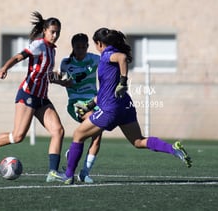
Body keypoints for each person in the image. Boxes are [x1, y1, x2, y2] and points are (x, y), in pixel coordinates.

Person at [51, 27, 192, 184]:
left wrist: (123, 81)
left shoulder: (106, 55)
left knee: (78, 135)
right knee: (138, 141)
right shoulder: (106, 58)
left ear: (99, 44)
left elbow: (122, 58)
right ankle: (174, 149)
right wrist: (89, 105)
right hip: (125, 106)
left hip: (111, 109)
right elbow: (106, 89)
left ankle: (69, 175)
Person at [0, 11, 65, 182]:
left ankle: (52, 172)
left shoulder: (52, 51)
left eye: (58, 32)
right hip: (28, 94)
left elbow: (46, 75)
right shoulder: (39, 45)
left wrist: (63, 80)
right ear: (44, 30)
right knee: (18, 136)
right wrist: (5, 68)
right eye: (52, 31)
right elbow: (19, 57)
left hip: (42, 97)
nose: (55, 35)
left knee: (58, 131)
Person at [51, 33, 101, 183]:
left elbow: (108, 60)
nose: (80, 50)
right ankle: (74, 155)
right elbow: (68, 82)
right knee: (95, 122)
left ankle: (84, 172)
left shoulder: (94, 59)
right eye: (77, 47)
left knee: (97, 135)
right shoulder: (66, 63)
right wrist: (61, 81)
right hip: (76, 103)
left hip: (94, 101)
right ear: (73, 47)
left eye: (83, 47)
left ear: (87, 46)